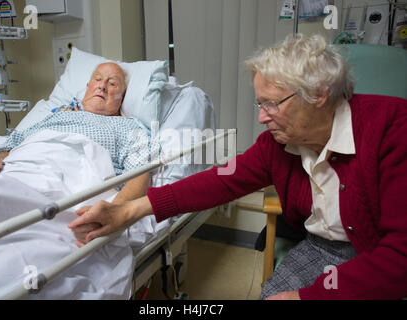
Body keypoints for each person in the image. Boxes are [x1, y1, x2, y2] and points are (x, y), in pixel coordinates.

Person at [68, 34, 407, 300]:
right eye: (259, 104)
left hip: (379, 252)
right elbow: (221, 181)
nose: (261, 117)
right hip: (323, 247)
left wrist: (309, 297)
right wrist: (130, 210)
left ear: (318, 94)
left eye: (272, 104)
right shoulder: (278, 146)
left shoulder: (393, 129)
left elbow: (400, 256)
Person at [0, 62, 153, 225]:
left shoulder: (128, 126)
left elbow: (140, 174)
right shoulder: (57, 115)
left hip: (67, 184)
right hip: (17, 170)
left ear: (122, 97)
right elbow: (12, 146)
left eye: (112, 83)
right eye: (97, 79)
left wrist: (114, 211)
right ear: (88, 87)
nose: (102, 86)